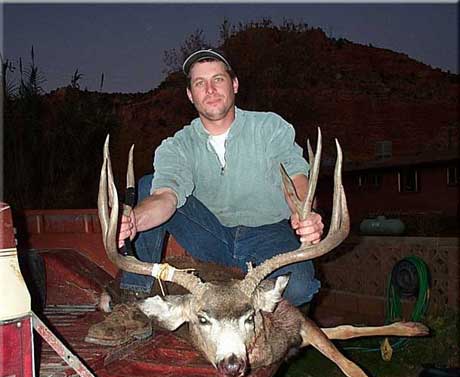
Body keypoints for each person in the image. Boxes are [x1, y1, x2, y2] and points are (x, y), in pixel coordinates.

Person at [86, 49, 324, 346]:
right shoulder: (178, 146)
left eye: (217, 79)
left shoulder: (269, 127)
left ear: (234, 85)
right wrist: (134, 220)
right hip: (212, 236)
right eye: (200, 83)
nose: (210, 89)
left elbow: (295, 179)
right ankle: (132, 305)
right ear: (190, 94)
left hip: (268, 237)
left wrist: (304, 212)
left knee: (299, 287)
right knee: (148, 186)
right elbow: (166, 196)